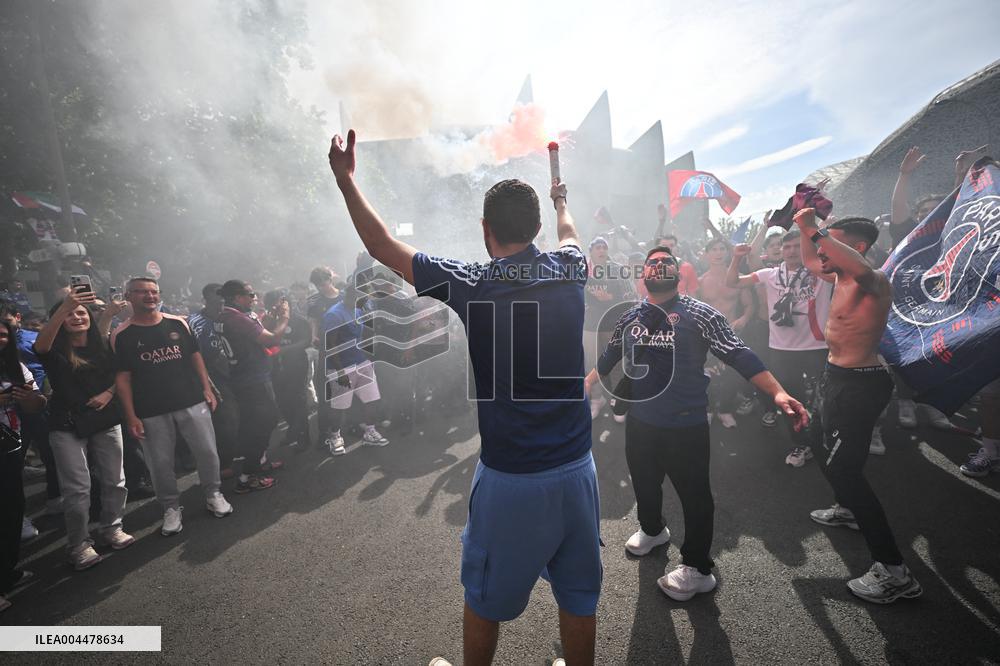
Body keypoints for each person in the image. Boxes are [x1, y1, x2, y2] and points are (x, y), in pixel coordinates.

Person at [329, 129, 600, 666]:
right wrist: (562, 199)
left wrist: (346, 181)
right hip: (577, 469)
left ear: (485, 230)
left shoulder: (473, 282)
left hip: (512, 479)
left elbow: (382, 246)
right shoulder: (571, 268)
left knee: (484, 600)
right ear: (538, 227)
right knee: (579, 593)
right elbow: (570, 233)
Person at [585, 246, 807, 601]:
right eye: (653, 263)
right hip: (641, 423)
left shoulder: (700, 314)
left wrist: (778, 393)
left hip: (686, 425)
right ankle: (653, 530)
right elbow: (610, 355)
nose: (660, 265)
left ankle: (698, 568)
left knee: (695, 496)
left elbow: (740, 354)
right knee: (644, 484)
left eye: (667, 262)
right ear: (643, 275)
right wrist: (585, 385)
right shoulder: (629, 316)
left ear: (678, 272)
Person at [793, 209, 922, 604]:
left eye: (831, 240)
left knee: (845, 471)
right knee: (816, 438)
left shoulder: (874, 280)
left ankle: (896, 572)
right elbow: (811, 260)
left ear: (859, 247)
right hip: (836, 377)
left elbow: (846, 262)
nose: (821, 249)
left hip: (862, 385)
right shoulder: (838, 275)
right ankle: (848, 509)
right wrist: (806, 230)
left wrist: (814, 228)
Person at [112, 277, 233, 535]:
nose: (149, 296)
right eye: (142, 292)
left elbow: (195, 356)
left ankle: (213, 493)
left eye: (154, 292)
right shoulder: (121, 334)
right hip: (150, 409)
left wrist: (207, 388)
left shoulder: (178, 323)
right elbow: (122, 378)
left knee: (207, 451)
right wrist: (131, 415)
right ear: (129, 296)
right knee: (160, 463)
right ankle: (170, 507)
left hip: (191, 400)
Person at [34, 287, 135, 570]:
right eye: (69, 313)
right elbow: (40, 346)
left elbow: (120, 374)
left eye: (81, 312)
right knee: (78, 490)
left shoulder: (100, 344)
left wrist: (108, 394)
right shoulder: (53, 350)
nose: (77, 317)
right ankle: (78, 545)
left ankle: (111, 528)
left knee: (115, 480)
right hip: (66, 424)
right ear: (60, 319)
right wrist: (65, 304)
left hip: (104, 419)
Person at [725, 230, 833, 466]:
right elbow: (732, 282)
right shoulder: (770, 274)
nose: (792, 251)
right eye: (787, 247)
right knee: (789, 399)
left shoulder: (822, 272)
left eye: (797, 246)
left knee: (824, 398)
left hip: (817, 346)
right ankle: (800, 444)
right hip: (782, 349)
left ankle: (825, 438)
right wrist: (736, 258)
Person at [215, 280, 288, 491]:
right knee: (262, 424)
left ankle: (259, 462)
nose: (254, 297)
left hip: (247, 378)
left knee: (257, 423)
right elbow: (271, 339)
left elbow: (255, 332)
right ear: (237, 297)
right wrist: (285, 317)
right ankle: (248, 476)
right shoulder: (236, 318)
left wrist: (271, 317)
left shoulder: (228, 315)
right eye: (250, 294)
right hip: (252, 380)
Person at [0, 317, 45, 613]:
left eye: (4, 333)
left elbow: (37, 404)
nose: (0, 337)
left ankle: (7, 573)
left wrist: (29, 397)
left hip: (10, 449)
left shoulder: (14, 367)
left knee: (11, 511)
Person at [321, 275, 390, 455]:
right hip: (341, 366)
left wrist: (368, 359)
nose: (367, 300)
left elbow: (360, 336)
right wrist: (340, 371)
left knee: (372, 399)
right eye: (364, 296)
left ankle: (370, 432)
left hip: (361, 362)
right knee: (340, 407)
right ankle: (335, 436)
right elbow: (330, 346)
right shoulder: (334, 314)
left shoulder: (358, 310)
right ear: (352, 295)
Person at [697, 238, 754, 428]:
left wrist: (744, 319)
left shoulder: (738, 277)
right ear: (706, 255)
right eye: (713, 249)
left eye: (722, 249)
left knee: (733, 375)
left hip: (732, 333)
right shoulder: (700, 281)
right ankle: (708, 409)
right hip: (709, 336)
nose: (719, 253)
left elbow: (749, 305)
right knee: (708, 375)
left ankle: (725, 410)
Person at [188, 283, 238, 474]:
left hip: (235, 373)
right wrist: (206, 384)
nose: (221, 306)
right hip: (212, 378)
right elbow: (194, 355)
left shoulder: (232, 317)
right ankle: (223, 464)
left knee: (238, 416)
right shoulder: (195, 322)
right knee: (226, 418)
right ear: (206, 301)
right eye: (217, 302)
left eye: (224, 301)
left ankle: (235, 454)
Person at [583, 236, 632, 421]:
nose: (601, 250)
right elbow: (575, 295)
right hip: (590, 326)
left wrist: (610, 299)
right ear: (591, 251)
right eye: (597, 247)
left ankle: (618, 400)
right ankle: (597, 399)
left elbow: (630, 298)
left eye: (604, 247)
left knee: (616, 364)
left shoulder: (618, 270)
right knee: (592, 365)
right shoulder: (582, 271)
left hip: (613, 325)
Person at [263, 289, 312, 450]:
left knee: (298, 400)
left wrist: (285, 350)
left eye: (276, 303)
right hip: (276, 368)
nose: (273, 308)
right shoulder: (269, 321)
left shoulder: (299, 321)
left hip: (296, 365)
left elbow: (306, 341)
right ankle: (293, 430)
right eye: (270, 305)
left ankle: (303, 437)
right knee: (283, 401)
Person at [307, 267, 343, 449]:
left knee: (345, 391)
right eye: (317, 285)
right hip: (326, 350)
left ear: (330, 279)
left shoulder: (344, 297)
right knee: (325, 393)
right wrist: (313, 335)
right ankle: (324, 433)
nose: (321, 287)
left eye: (323, 283)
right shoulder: (315, 301)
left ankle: (345, 427)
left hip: (346, 349)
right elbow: (314, 321)